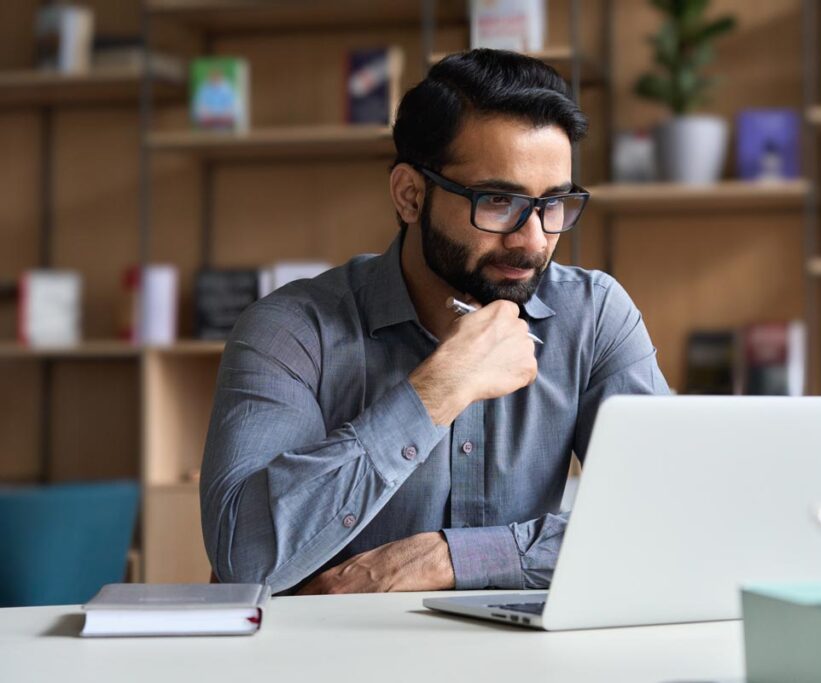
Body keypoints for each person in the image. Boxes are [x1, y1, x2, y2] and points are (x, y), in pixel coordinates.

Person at [200, 49, 670, 595]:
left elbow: (670, 521)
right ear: (409, 195)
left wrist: (447, 559)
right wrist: (437, 390)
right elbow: (245, 559)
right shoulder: (290, 331)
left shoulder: (594, 316)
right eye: (498, 201)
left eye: (554, 204)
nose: (535, 240)